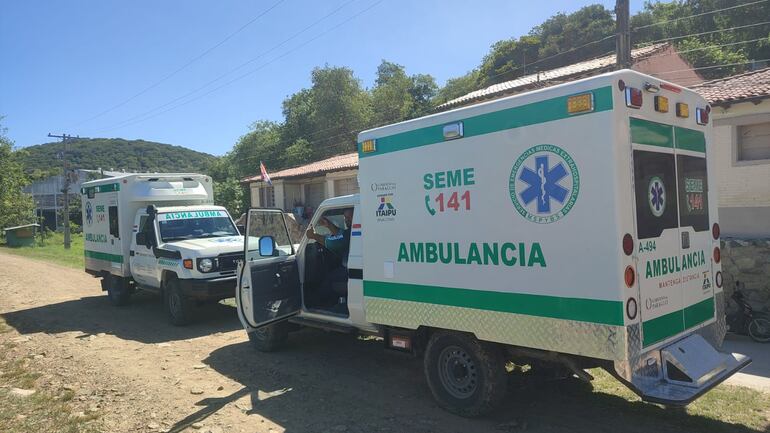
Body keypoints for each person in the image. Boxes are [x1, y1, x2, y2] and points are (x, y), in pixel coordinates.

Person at [306, 209, 353, 306]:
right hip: (352, 269)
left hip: (350, 271)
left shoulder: (352, 233)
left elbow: (333, 242)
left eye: (349, 217)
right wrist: (329, 225)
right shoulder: (353, 232)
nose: (346, 220)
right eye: (345, 218)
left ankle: (318, 305)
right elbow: (341, 234)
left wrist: (314, 236)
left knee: (328, 279)